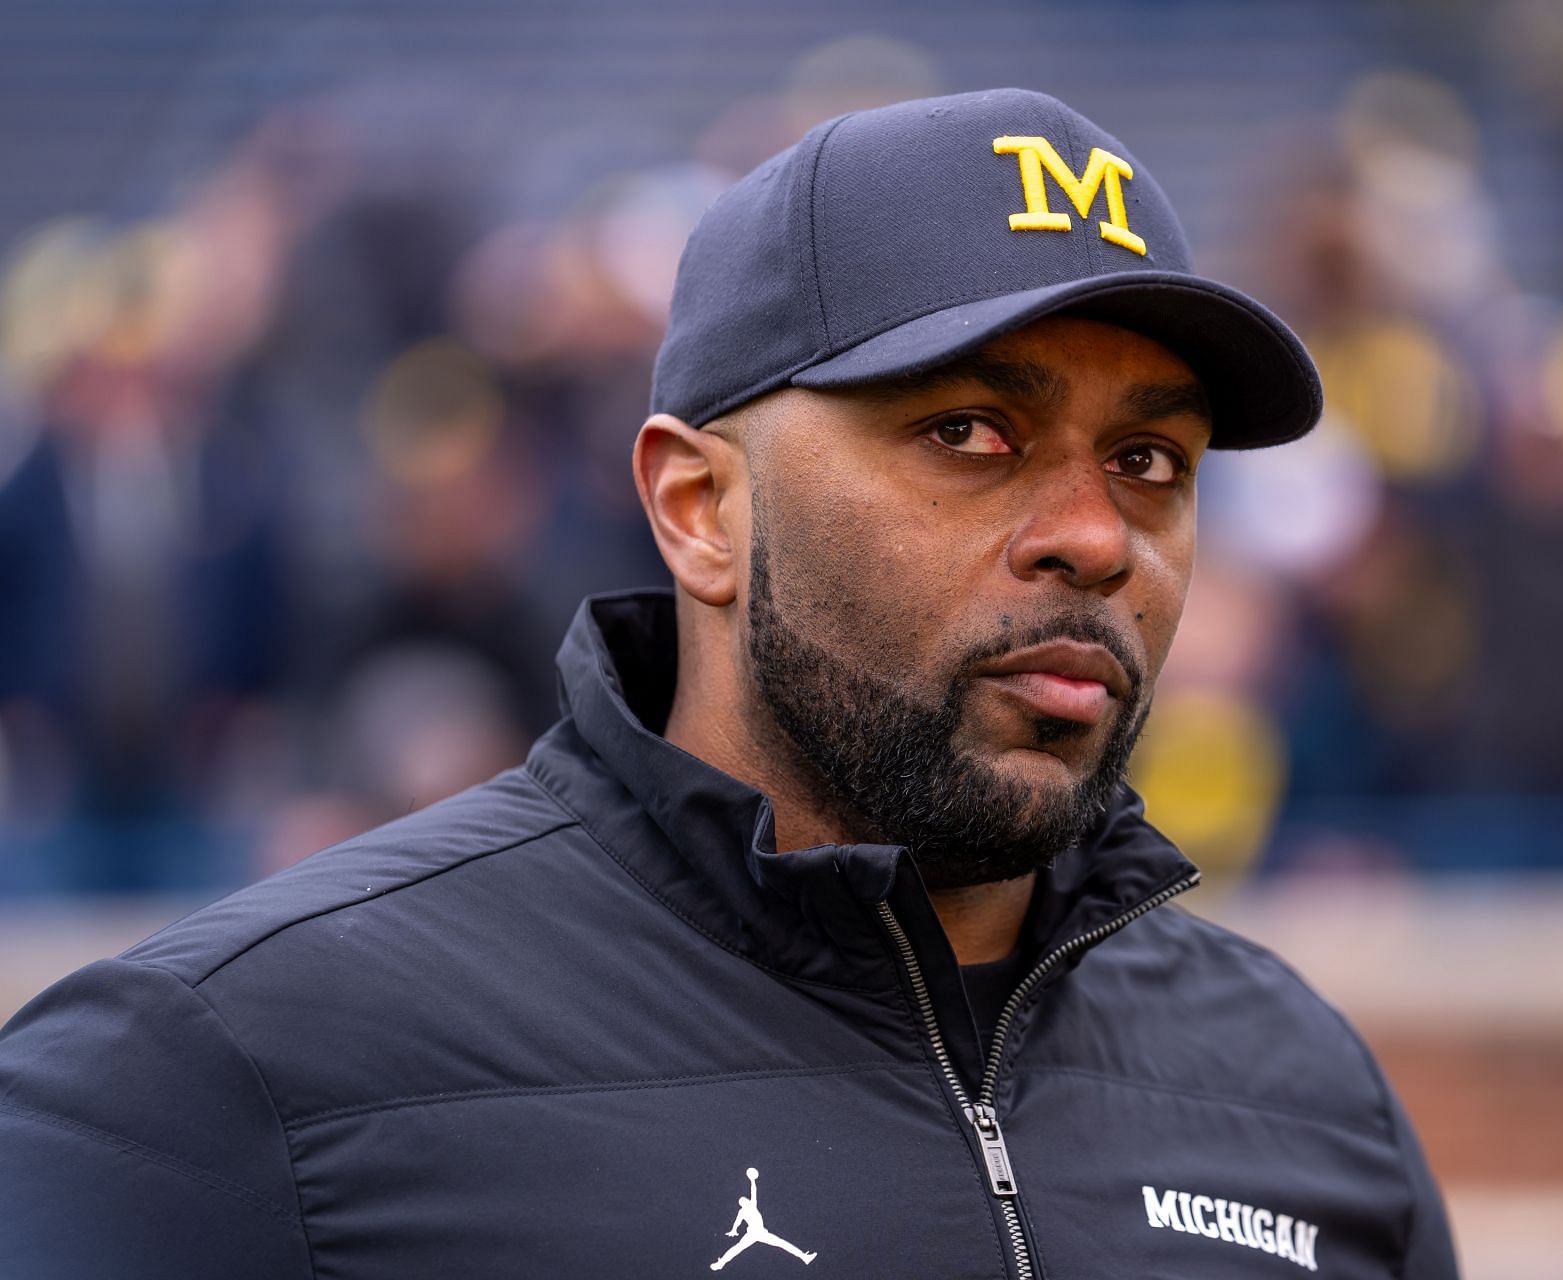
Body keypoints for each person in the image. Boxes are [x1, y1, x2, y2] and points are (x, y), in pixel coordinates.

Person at [0, 88, 1456, 1278]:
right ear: (702, 509)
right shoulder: (224, 1080)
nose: (1095, 535)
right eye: (969, 432)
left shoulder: (1307, 1100)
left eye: (1151, 462)